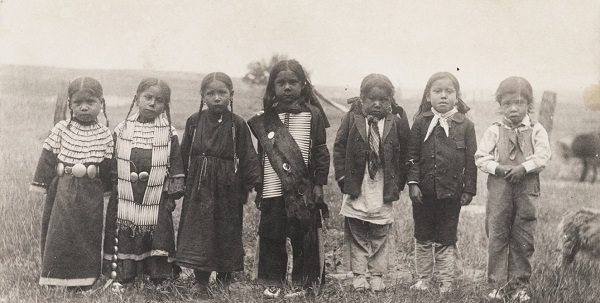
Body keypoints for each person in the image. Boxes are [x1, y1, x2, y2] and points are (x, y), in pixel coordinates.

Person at [247, 59, 330, 298]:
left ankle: (305, 281)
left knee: (304, 235)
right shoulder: (265, 119)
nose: (286, 87)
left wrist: (319, 185)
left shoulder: (313, 115)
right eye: (280, 82)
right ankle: (274, 281)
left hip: (303, 189)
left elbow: (321, 152)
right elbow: (263, 156)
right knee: (272, 235)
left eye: (292, 82)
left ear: (303, 85)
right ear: (272, 86)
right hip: (274, 188)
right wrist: (261, 186)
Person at [175, 72, 261, 292]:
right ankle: (201, 280)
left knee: (227, 229)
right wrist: (178, 183)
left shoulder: (237, 125)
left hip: (228, 188)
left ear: (231, 95)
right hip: (199, 187)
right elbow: (183, 155)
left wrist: (256, 186)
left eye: (222, 93)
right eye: (210, 93)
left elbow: (248, 155)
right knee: (199, 231)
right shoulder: (194, 122)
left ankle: (225, 278)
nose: (216, 98)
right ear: (202, 96)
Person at [30, 77, 113, 290]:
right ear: (70, 104)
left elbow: (107, 165)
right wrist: (41, 184)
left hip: (90, 192)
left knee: (88, 231)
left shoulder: (105, 134)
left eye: (91, 102)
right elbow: (48, 157)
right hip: (64, 189)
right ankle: (55, 276)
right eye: (78, 103)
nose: (84, 107)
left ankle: (85, 278)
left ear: (101, 103)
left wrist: (108, 190)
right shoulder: (61, 129)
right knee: (61, 231)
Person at [104, 78, 184, 290]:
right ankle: (125, 276)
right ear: (137, 98)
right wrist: (116, 188)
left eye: (159, 100)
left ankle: (159, 276)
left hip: (156, 195)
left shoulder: (169, 133)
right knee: (126, 233)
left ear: (165, 105)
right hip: (126, 194)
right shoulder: (122, 130)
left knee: (158, 234)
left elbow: (176, 164)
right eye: (147, 97)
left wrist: (172, 194)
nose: (152, 103)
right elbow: (113, 162)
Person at [475, 77, 551, 302]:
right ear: (500, 105)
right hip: (500, 189)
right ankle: (497, 285)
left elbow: (543, 156)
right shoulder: (494, 130)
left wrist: (523, 167)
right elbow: (480, 157)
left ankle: (520, 286)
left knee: (523, 236)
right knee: (497, 235)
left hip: (526, 190)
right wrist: (498, 168)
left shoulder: (537, 129)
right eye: (507, 103)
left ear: (529, 103)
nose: (513, 108)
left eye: (519, 102)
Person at [333, 74, 409, 291]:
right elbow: (338, 147)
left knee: (380, 231)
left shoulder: (396, 123)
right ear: (361, 99)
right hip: (359, 183)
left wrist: (400, 182)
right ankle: (358, 275)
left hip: (383, 184)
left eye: (383, 100)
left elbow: (405, 154)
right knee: (356, 230)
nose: (377, 104)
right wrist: (341, 177)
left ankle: (376, 275)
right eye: (371, 99)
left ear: (390, 100)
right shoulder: (352, 119)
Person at [407, 72, 477, 293]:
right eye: (438, 91)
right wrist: (413, 183)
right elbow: (412, 156)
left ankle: (446, 281)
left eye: (449, 91)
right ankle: (423, 279)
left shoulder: (466, 125)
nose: (443, 96)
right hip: (423, 193)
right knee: (423, 236)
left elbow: (471, 161)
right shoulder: (420, 122)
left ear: (457, 96)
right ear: (428, 96)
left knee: (446, 238)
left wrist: (469, 189)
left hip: (451, 194)